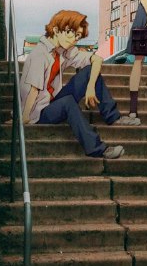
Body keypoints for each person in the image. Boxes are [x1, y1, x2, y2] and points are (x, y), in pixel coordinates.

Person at [21, 10, 136, 159]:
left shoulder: (63, 51)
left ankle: (113, 117)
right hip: (37, 112)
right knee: (67, 102)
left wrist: (90, 87)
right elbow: (33, 90)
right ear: (56, 30)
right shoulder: (39, 54)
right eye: (72, 33)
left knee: (89, 72)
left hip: (51, 101)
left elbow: (97, 60)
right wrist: (24, 118)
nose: (74, 40)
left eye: (78, 36)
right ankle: (97, 149)